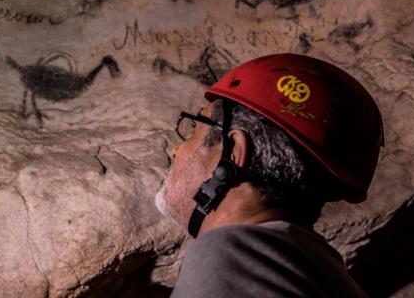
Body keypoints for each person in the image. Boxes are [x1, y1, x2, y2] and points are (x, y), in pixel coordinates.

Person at [155, 53, 383, 297]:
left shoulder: (232, 259)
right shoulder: (322, 274)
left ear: (233, 152)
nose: (176, 150)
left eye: (194, 129)